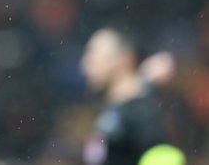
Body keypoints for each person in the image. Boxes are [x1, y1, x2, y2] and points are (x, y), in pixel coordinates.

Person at [79, 26, 185, 165]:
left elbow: (166, 159)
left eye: (94, 56)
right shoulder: (114, 112)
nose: (85, 65)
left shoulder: (141, 114)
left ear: (125, 60)